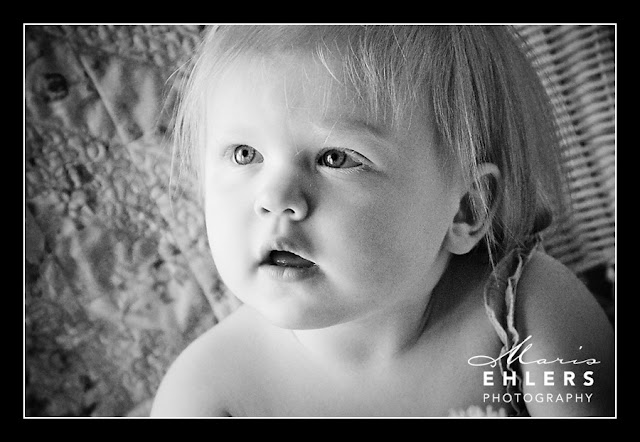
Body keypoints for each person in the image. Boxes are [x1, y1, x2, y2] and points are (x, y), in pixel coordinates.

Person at [150, 25, 614, 417]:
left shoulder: (526, 316)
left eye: (336, 158)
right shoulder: (208, 394)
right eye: (244, 154)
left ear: (466, 209)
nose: (275, 199)